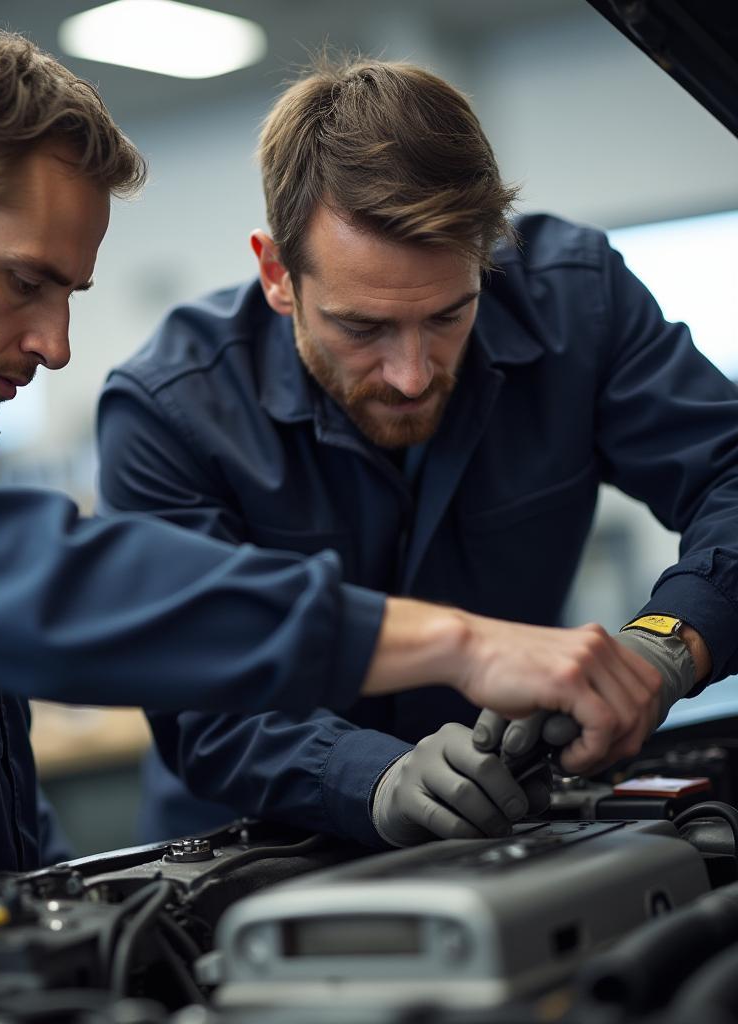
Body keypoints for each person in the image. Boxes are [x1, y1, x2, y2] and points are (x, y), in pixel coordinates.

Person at [0, 17, 654, 980]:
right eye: (26, 281)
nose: (56, 343)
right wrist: (460, 640)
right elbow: (44, 581)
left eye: (70, 293)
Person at [97, 56, 736, 850]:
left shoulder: (581, 302)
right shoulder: (170, 410)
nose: (411, 374)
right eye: (362, 328)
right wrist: (367, 776)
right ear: (276, 273)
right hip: (259, 852)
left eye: (448, 315)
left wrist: (668, 643)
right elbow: (200, 690)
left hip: (516, 823)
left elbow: (730, 474)